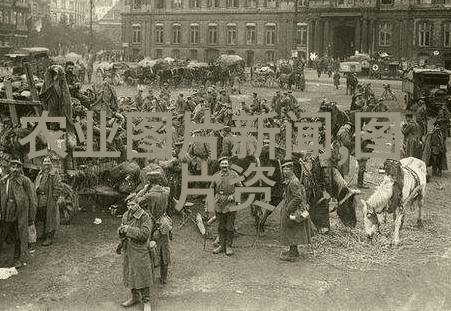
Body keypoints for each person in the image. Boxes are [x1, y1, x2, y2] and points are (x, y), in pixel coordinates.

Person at [118, 195, 153, 311]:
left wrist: (128, 229)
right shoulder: (125, 215)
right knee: (130, 274)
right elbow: (122, 231)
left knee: (143, 274)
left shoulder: (144, 217)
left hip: (140, 250)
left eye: (132, 204)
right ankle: (134, 297)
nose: (130, 207)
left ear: (138, 204)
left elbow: (145, 234)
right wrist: (121, 232)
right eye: (128, 205)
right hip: (128, 249)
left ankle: (147, 301)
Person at [135, 171, 171, 284]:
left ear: (149, 181)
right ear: (159, 180)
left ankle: (150, 276)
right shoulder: (166, 191)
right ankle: (164, 278)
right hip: (163, 222)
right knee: (164, 249)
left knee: (149, 248)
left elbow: (136, 200)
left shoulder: (150, 194)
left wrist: (145, 189)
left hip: (152, 223)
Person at [0, 159, 37, 269]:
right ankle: (14, 254)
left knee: (21, 234)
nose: (15, 169)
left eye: (17, 167)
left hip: (21, 212)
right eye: (12, 167)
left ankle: (21, 258)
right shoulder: (6, 180)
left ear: (20, 168)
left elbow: (32, 199)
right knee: (7, 232)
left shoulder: (25, 181)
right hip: (9, 211)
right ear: (9, 168)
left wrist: (31, 216)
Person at [279, 161, 312, 262]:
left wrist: (289, 208)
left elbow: (298, 197)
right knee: (291, 229)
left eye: (287, 169)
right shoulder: (291, 180)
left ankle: (293, 254)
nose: (285, 171)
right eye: (284, 169)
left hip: (292, 209)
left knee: (291, 229)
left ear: (291, 170)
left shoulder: (293, 182)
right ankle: (293, 251)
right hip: (290, 207)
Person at [209, 156, 242, 256]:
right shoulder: (216, 175)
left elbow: (240, 188)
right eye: (222, 164)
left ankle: (228, 246)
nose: (224, 166)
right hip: (219, 203)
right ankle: (222, 245)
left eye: (226, 164)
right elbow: (211, 189)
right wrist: (208, 205)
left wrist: (234, 195)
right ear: (219, 165)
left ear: (229, 165)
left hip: (230, 204)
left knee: (229, 226)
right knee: (221, 226)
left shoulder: (234, 175)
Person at [34, 156, 65, 247]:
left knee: (50, 218)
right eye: (45, 161)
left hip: (49, 199)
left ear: (51, 163)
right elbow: (37, 183)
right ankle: (44, 234)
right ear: (42, 163)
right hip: (41, 199)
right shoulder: (41, 173)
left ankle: (49, 238)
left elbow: (59, 186)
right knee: (43, 217)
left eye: (48, 161)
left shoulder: (54, 173)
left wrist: (54, 198)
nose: (46, 163)